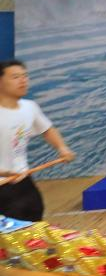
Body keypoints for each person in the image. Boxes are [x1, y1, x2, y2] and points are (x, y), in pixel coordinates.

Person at [0, 60, 75, 221]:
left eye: (25, 76)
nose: (23, 80)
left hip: (22, 178)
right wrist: (4, 172)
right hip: (2, 183)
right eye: (15, 77)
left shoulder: (29, 107)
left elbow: (47, 129)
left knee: (34, 213)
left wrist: (62, 147)